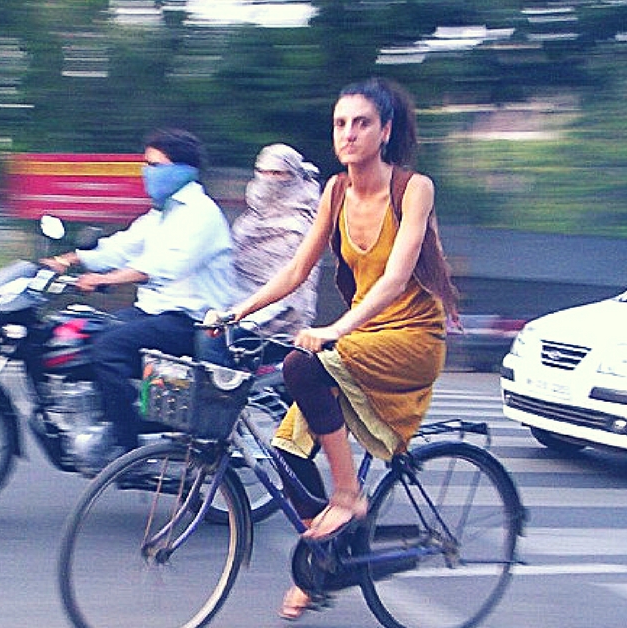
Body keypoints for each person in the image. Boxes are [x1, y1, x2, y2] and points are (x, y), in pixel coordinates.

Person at [212, 78, 460, 621]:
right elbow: (297, 269)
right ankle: (325, 562)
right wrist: (236, 311)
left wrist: (335, 328)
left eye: (361, 122)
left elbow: (396, 277)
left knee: (304, 364)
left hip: (412, 338)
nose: (348, 134)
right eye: (340, 123)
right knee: (285, 453)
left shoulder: (413, 189)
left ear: (385, 131)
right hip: (364, 335)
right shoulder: (335, 191)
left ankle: (348, 497)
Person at [41, 128, 242, 468]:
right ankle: (121, 417)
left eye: (155, 165)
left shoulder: (200, 213)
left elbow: (164, 265)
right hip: (154, 311)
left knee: (109, 349)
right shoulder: (162, 214)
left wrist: (105, 280)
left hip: (192, 321)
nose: (146, 173)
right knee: (85, 336)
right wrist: (70, 260)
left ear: (183, 169)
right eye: (146, 165)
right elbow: (122, 247)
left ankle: (128, 447)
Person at [233, 143, 320, 337]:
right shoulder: (248, 221)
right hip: (232, 305)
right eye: (262, 172)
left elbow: (296, 294)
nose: (268, 179)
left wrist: (244, 318)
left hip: (278, 320)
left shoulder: (301, 227)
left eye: (278, 173)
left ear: (294, 177)